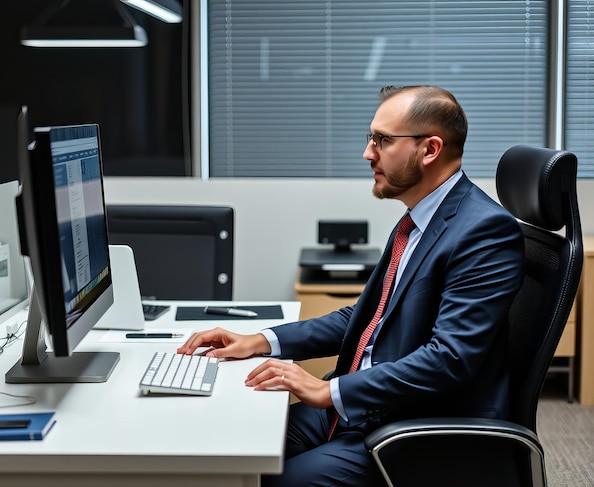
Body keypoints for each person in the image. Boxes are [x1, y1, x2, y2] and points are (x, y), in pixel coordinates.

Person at [178, 85, 525, 486]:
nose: (367, 153)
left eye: (382, 140)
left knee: (270, 480)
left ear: (429, 150)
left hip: (413, 425)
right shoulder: (421, 217)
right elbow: (366, 318)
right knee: (229, 451)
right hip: (363, 408)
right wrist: (260, 340)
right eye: (370, 138)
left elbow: (450, 359)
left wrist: (331, 392)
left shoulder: (483, 231)